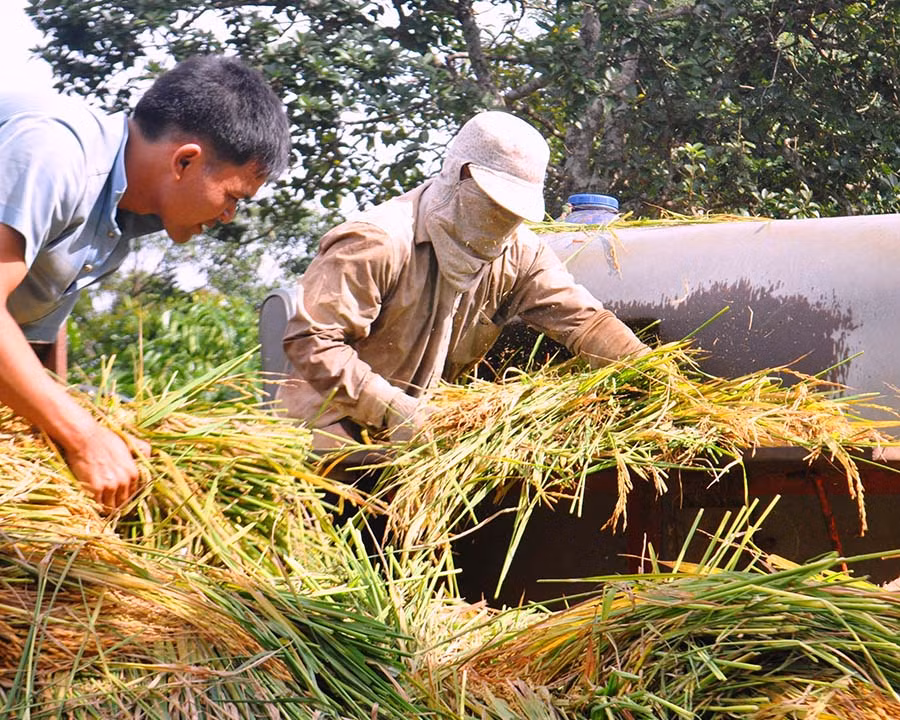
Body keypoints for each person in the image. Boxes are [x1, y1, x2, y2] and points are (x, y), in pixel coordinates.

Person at [0, 54, 291, 511]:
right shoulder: (55, 154)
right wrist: (83, 437)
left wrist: (66, 431)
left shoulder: (122, 217)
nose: (227, 216)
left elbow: (24, 333)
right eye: (233, 197)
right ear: (186, 161)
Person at [277, 110, 648, 455]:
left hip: (414, 452)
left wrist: (650, 371)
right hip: (329, 447)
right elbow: (312, 340)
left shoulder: (519, 253)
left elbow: (584, 322)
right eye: (494, 205)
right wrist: (391, 408)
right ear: (461, 175)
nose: (503, 222)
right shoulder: (380, 241)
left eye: (514, 213)